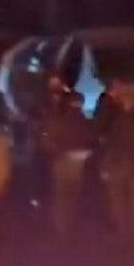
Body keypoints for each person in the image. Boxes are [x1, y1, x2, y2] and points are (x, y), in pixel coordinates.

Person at [41, 77, 96, 240]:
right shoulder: (84, 121)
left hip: (62, 160)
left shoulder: (60, 118)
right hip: (76, 162)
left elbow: (48, 139)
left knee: (62, 195)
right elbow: (92, 137)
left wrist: (55, 151)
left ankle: (63, 229)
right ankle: (72, 227)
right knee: (74, 194)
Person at [98, 88, 134, 240]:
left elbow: (111, 144)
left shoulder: (118, 122)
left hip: (119, 163)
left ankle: (122, 229)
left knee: (117, 197)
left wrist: (105, 166)